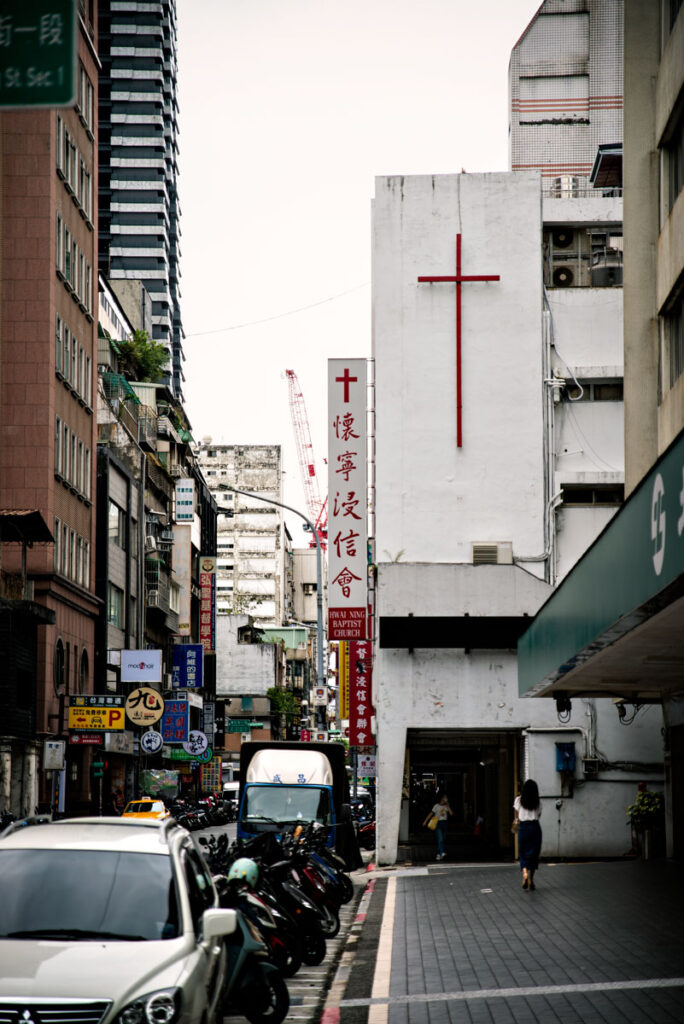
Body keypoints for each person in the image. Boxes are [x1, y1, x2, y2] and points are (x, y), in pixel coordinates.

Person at [513, 779, 542, 890]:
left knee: (523, 852)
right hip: (535, 827)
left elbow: (516, 815)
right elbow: (539, 815)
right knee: (534, 854)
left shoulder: (519, 800)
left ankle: (524, 873)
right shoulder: (538, 801)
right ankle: (531, 879)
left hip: (523, 828)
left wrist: (517, 821)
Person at [423, 790, 452, 861]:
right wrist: (425, 821)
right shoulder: (436, 806)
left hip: (445, 823)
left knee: (443, 839)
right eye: (445, 797)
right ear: (441, 798)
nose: (446, 799)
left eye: (446, 798)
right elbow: (431, 813)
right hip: (438, 823)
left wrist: (448, 806)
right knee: (440, 838)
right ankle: (442, 852)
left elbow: (451, 814)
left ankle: (438, 854)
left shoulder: (446, 806)